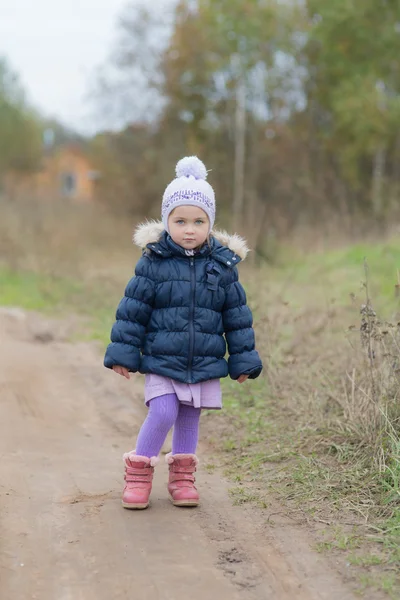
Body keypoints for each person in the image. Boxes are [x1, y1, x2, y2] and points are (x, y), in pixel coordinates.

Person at [104, 156, 263, 510]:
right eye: (180, 221)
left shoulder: (222, 266)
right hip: (162, 357)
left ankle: (182, 478)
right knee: (163, 412)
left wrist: (242, 359)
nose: (189, 229)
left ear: (210, 223)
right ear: (166, 222)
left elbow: (236, 316)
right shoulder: (153, 262)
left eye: (198, 221)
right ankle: (139, 473)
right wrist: (123, 354)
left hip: (203, 358)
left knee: (191, 415)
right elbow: (133, 311)